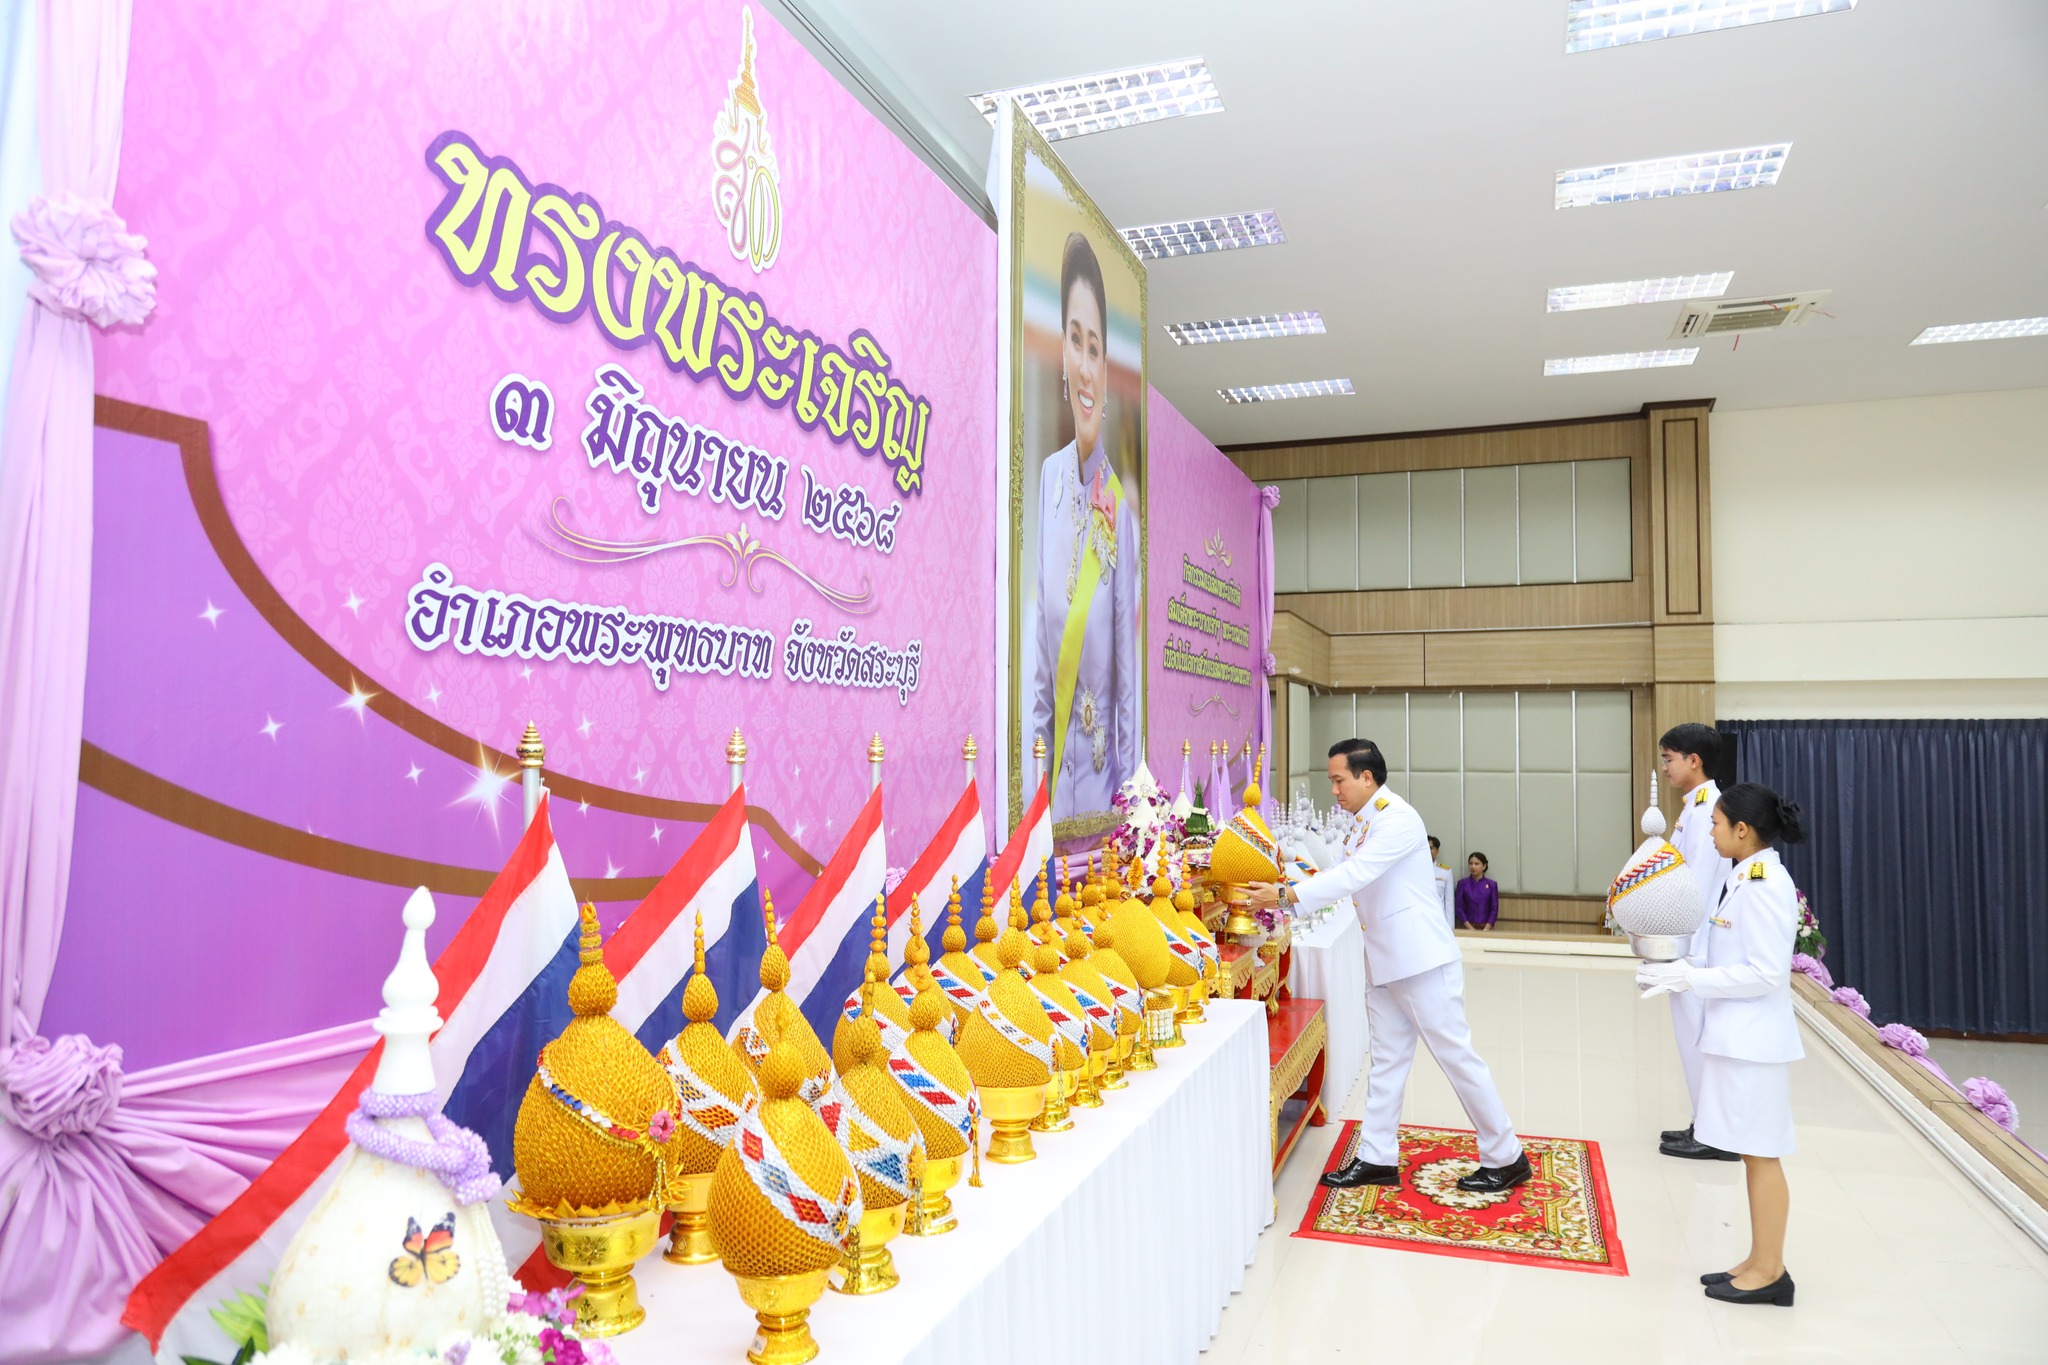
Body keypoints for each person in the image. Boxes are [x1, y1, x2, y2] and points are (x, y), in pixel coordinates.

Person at [1243, 740, 1528, 1194]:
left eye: (1339, 780)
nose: (1334, 789)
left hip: (1420, 961)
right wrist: (1283, 876)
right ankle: (1377, 1157)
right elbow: (1332, 873)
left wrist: (1283, 897)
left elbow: (1355, 875)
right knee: (1388, 1062)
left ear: (1366, 777)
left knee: (1457, 1058)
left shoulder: (1397, 819)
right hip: (1384, 961)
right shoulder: (1361, 824)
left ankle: (1506, 1155)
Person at [1637, 783, 1806, 1307]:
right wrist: (1677, 967)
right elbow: (1724, 953)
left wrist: (1693, 980)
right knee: (1753, 1153)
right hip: (1737, 1038)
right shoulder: (1744, 876)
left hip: (1755, 1043)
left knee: (1762, 1155)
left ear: (1743, 830)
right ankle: (1758, 1261)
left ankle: (1771, 1272)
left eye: (1716, 823)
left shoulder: (1767, 883)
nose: (1709, 832)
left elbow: (1766, 973)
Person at [1029, 230, 1140, 824]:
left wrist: (1129, 813)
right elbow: (1039, 668)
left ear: (1104, 367)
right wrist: (1031, 799)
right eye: (1075, 340)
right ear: (1065, 363)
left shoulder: (1119, 513)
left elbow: (1127, 687)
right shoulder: (1048, 479)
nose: (1085, 363)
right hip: (1046, 801)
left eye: (1095, 347)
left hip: (1101, 801)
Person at [1657, 723, 1737, 1162]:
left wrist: (1682, 949)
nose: (1665, 767)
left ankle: (1714, 1133)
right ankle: (1703, 1122)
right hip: (1688, 940)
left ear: (1694, 760)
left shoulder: (1708, 808)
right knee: (1691, 1038)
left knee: (1698, 1038)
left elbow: (1700, 886)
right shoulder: (1694, 806)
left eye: (1669, 759)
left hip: (1695, 944)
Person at [1455, 853, 1499, 930]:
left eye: (1476, 864)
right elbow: (1459, 908)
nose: (1473, 866)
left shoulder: (1492, 885)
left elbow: (1494, 909)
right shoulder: (1462, 884)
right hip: (1467, 927)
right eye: (1470, 864)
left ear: (1484, 866)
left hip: (1487, 927)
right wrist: (1470, 928)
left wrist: (1487, 928)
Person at [1428, 836, 1454, 929]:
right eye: (1425, 848)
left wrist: (1450, 929)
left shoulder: (1445, 872)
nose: (1427, 851)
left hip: (1438, 922)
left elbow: (1449, 903)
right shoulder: (1413, 871)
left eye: (1431, 848)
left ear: (1437, 851)